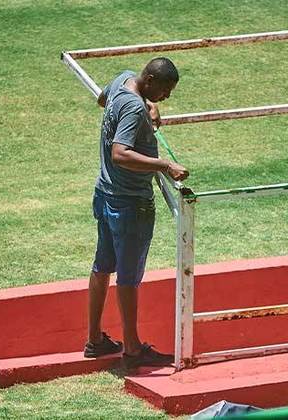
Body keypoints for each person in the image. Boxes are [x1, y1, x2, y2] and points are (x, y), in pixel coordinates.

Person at [85, 57, 189, 369]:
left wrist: (147, 105)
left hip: (106, 194)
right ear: (151, 81)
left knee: (102, 266)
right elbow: (120, 154)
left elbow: (103, 101)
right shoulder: (133, 107)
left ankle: (94, 340)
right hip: (130, 204)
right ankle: (132, 348)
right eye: (165, 91)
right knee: (128, 277)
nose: (166, 97)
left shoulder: (124, 79)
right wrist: (165, 165)